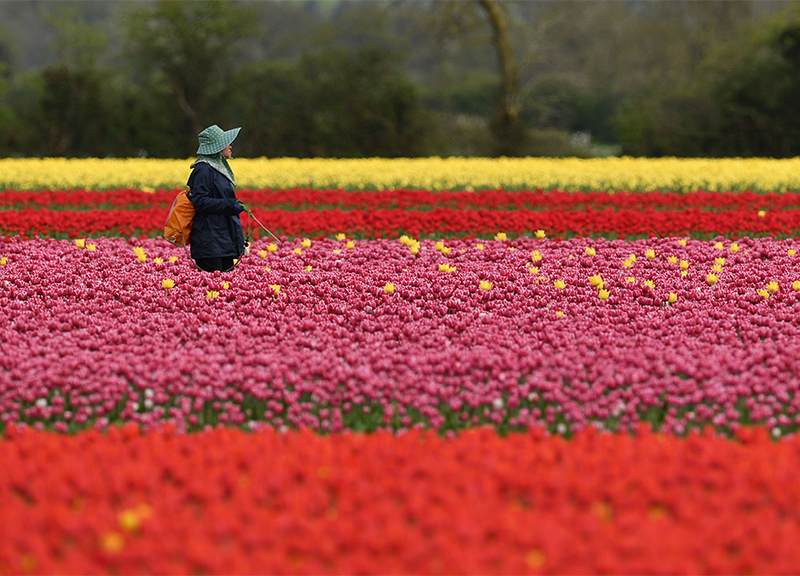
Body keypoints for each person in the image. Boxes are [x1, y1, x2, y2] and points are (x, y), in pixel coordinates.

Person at [187, 125, 246, 272]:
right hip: (210, 241)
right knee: (213, 290)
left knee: (226, 288)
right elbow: (200, 202)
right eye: (227, 143)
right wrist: (230, 205)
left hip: (222, 238)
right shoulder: (203, 169)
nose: (230, 146)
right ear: (217, 147)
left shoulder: (217, 167)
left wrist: (232, 205)